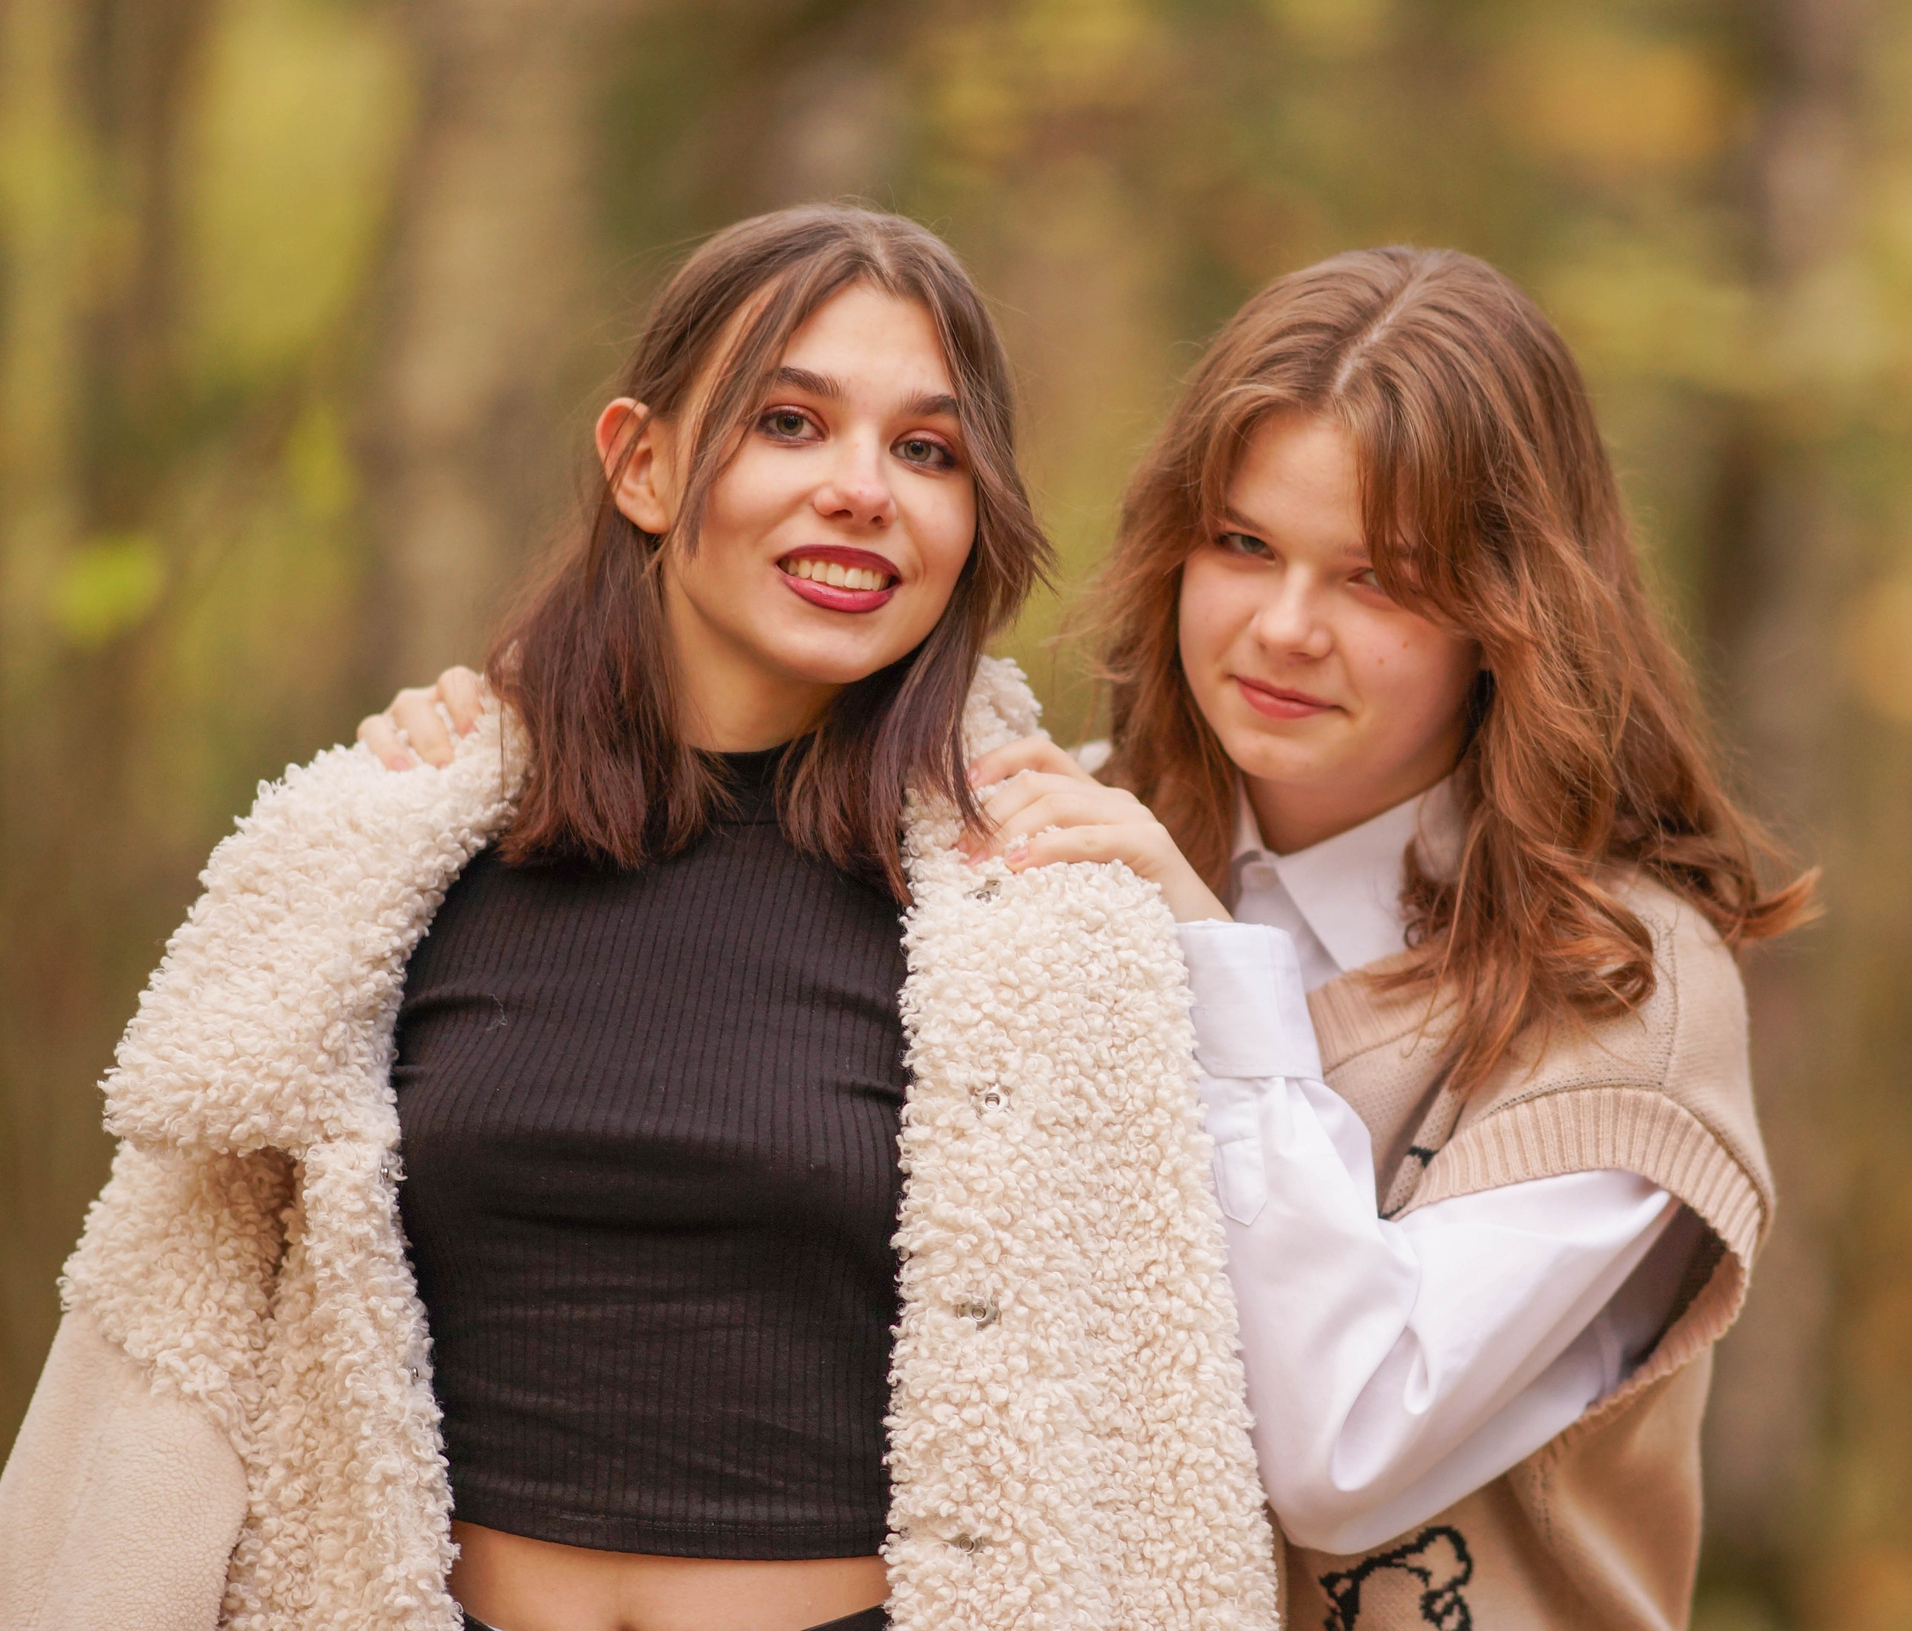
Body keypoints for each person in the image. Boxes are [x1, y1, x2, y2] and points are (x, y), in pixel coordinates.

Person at [376, 246, 1807, 1631]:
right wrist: (474, 753)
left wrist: (1215, 970)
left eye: (1380, 579)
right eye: (1243, 546)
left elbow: (1341, 1451)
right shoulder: (1048, 852)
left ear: (1515, 612)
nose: (1285, 628)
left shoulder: (1622, 991)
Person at [0, 204, 1276, 1631]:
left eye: (927, 450)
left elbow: (1158, 1452)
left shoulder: (1041, 915)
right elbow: (168, 1345)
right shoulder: (382, 855)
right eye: (790, 423)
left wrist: (1195, 930)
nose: (864, 489)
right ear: (645, 465)